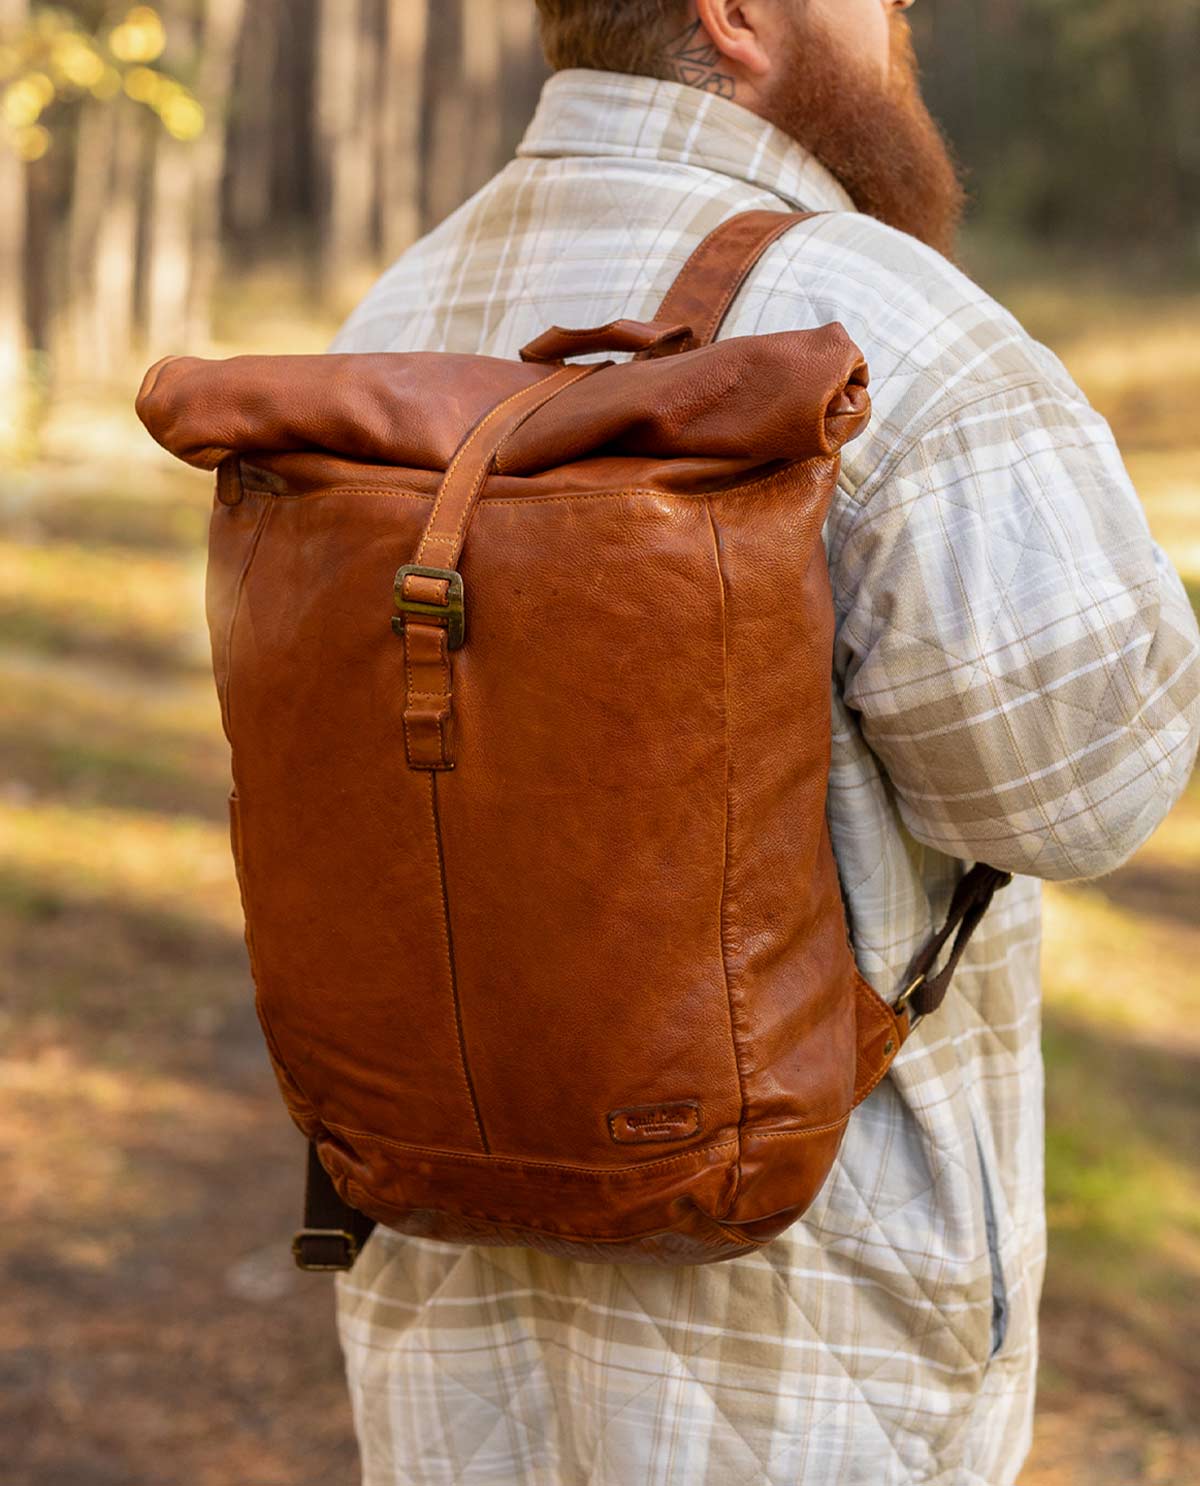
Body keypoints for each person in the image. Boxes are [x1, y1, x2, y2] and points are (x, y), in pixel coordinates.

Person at [328, 2, 1200, 1482]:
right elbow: (1089, 787)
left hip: (448, 1293)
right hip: (809, 1329)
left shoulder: (395, 309)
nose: (903, 22)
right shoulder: (893, 324)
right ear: (737, 12)